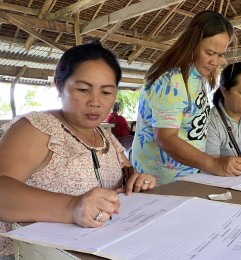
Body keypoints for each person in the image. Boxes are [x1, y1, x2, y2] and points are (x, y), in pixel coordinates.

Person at [0, 41, 156, 257]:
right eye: (83, 89)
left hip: (105, 247)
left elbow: (128, 173)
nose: (95, 102)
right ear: (59, 86)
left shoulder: (106, 137)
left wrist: (138, 180)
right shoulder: (36, 128)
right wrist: (72, 206)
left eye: (106, 92)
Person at [132, 10, 241, 185]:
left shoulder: (195, 77)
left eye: (220, 54)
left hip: (185, 178)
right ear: (192, 44)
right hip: (159, 183)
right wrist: (213, 164)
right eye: (209, 53)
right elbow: (165, 137)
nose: (215, 61)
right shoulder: (171, 79)